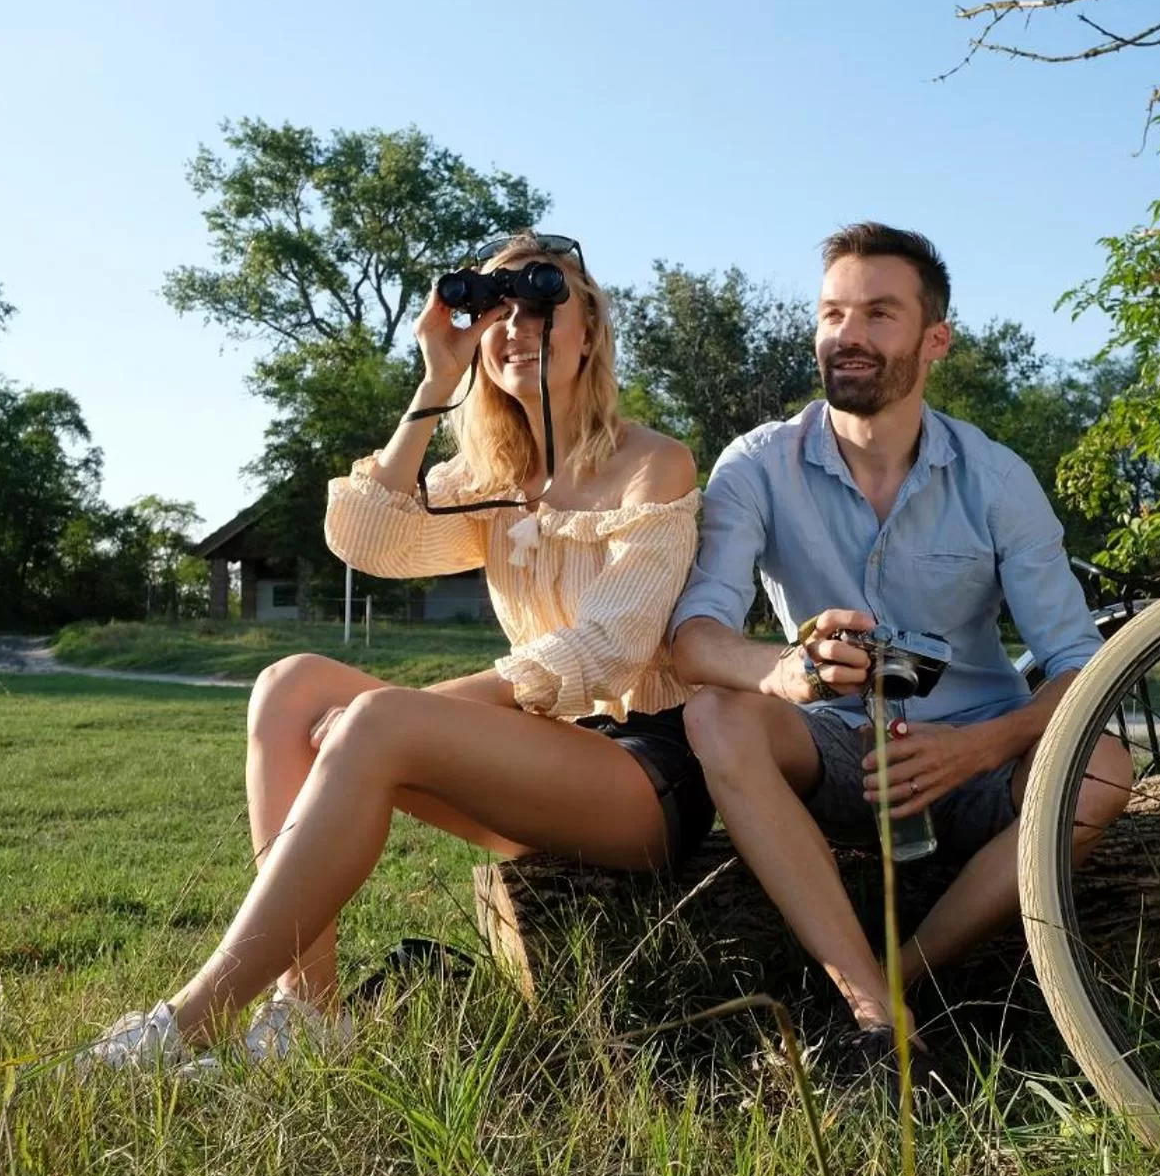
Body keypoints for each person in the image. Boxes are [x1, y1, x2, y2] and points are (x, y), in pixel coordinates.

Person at [83, 232, 709, 1067]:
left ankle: (191, 1019)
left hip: (646, 773)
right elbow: (365, 539)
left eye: (542, 306)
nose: (518, 327)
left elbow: (605, 650)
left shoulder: (654, 464)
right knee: (288, 684)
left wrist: (408, 711)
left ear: (589, 330)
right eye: (496, 314)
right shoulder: (491, 477)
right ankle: (308, 1014)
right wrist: (436, 377)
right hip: (540, 757)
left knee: (372, 722)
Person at [670, 222, 1133, 1067]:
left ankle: (903, 979)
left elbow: (1080, 663)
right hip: (835, 747)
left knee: (1102, 767)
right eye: (833, 313)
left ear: (935, 340)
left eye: (880, 314)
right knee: (717, 716)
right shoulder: (756, 467)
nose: (848, 335)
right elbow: (695, 641)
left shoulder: (997, 478)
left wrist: (979, 746)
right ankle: (871, 1013)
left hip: (976, 757)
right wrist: (785, 670)